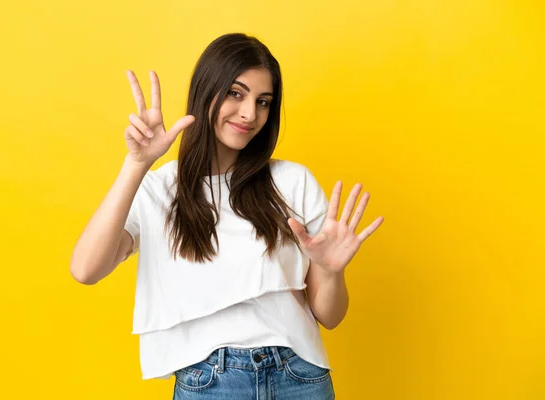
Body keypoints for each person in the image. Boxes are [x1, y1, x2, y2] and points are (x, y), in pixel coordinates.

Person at [70, 33, 384, 400]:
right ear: (207, 91)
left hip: (299, 378)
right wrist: (136, 164)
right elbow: (85, 269)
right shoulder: (160, 188)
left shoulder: (292, 181)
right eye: (236, 93)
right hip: (209, 383)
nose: (251, 114)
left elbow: (329, 316)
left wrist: (331, 271)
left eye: (263, 101)